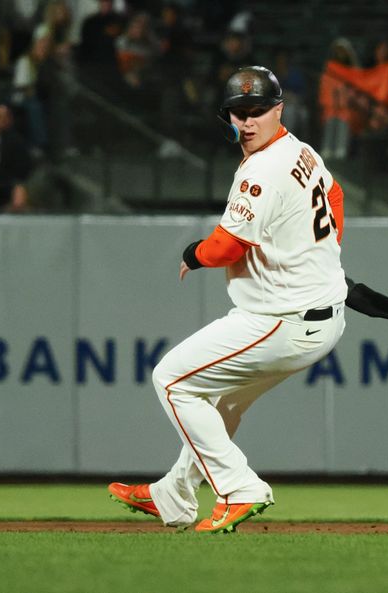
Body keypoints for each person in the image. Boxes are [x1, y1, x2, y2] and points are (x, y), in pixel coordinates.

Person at [108, 66, 348, 533]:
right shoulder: (301, 150)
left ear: (279, 110)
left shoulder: (262, 169)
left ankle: (241, 488)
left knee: (171, 379)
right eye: (240, 113)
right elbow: (334, 196)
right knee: (223, 403)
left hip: (281, 320)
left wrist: (191, 254)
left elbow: (226, 248)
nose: (249, 121)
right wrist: (324, 257)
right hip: (318, 314)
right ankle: (174, 495)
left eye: (259, 111)